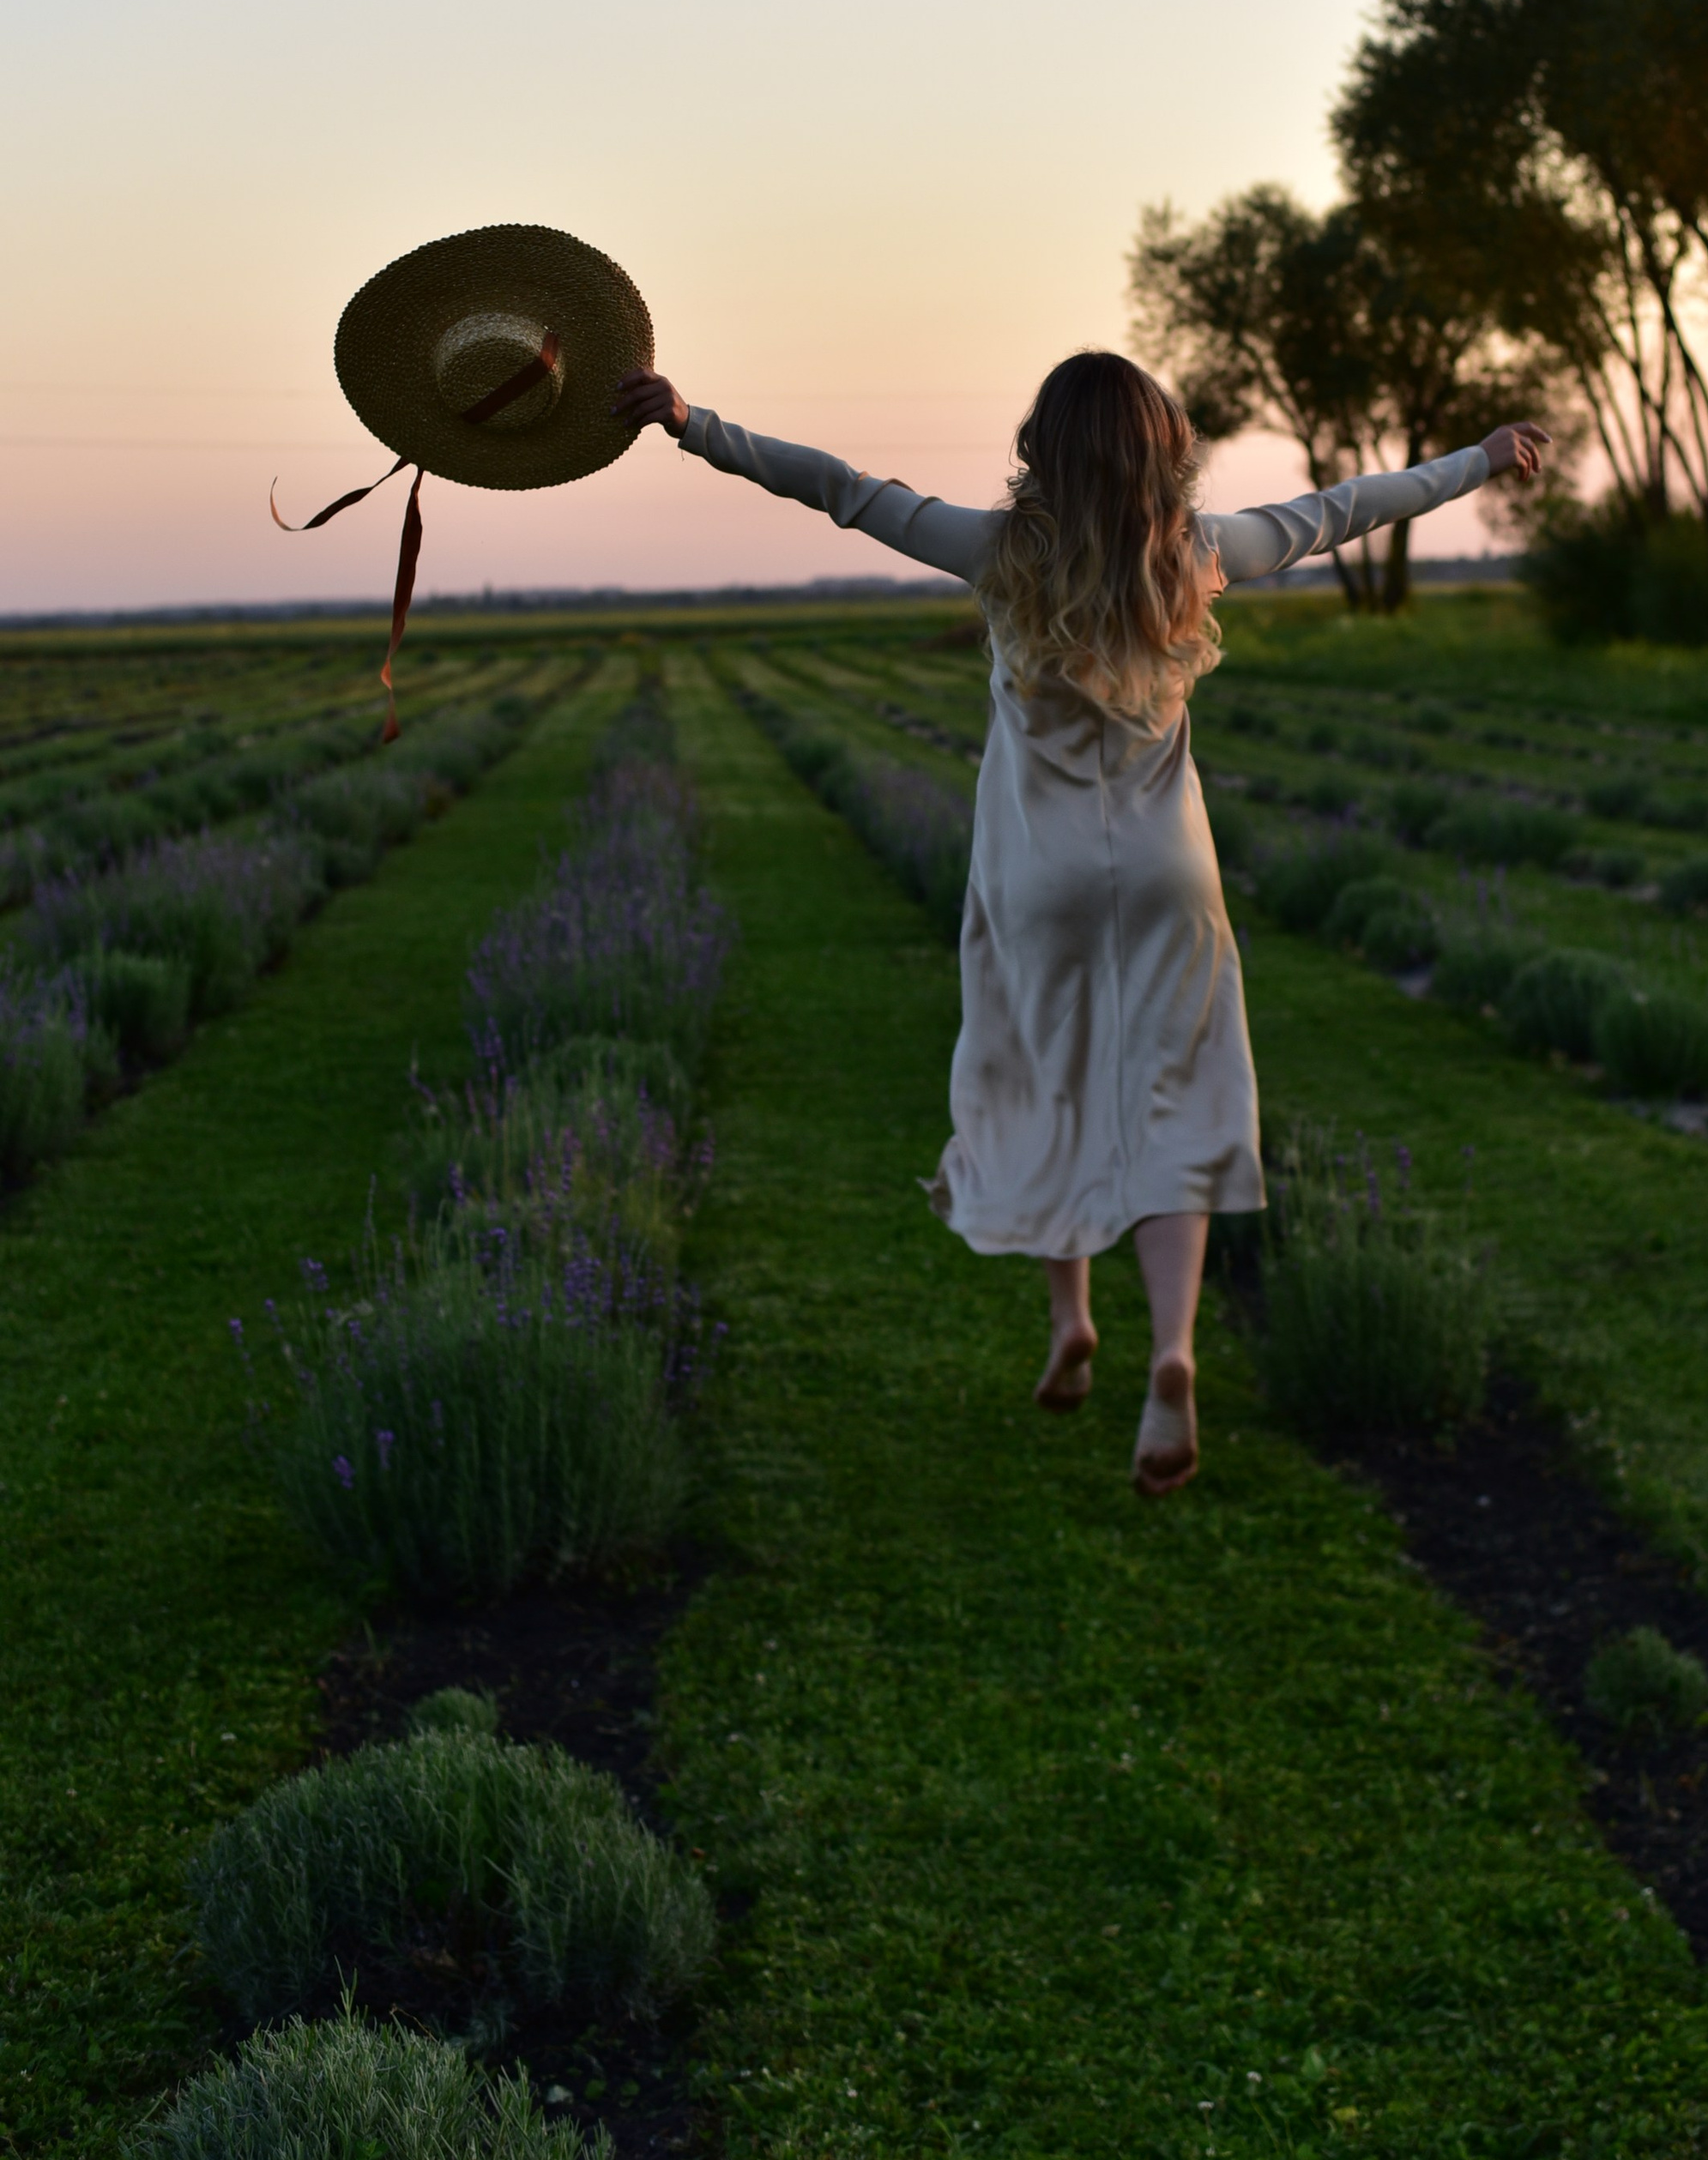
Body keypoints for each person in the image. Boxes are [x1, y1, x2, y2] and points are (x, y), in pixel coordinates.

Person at [612, 351, 1546, 1497]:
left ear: (1041, 452)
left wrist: (696, 423)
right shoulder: (1202, 556)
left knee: (1046, 1079)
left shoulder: (1003, 556)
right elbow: (1350, 509)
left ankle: (1070, 1320)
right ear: (1164, 455)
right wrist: (1483, 461)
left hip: (1037, 878)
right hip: (1170, 873)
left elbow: (841, 490)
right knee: (1181, 1102)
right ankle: (1173, 1353)